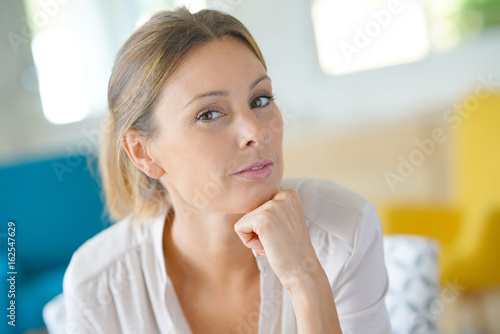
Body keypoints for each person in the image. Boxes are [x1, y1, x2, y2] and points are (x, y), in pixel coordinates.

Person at [63, 7, 391, 334]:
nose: (255, 132)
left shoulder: (344, 232)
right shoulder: (98, 284)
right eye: (209, 114)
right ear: (142, 152)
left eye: (260, 99)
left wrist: (305, 280)